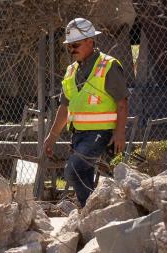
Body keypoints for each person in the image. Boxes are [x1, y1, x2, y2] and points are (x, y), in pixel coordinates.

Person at [43, 18, 129, 207]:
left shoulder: (108, 65)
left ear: (90, 41)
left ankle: (90, 208)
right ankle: (91, 210)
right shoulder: (70, 71)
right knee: (84, 175)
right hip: (79, 135)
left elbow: (122, 103)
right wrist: (52, 136)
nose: (72, 49)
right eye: (69, 46)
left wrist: (120, 133)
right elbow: (64, 107)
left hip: (101, 134)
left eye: (76, 44)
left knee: (72, 170)